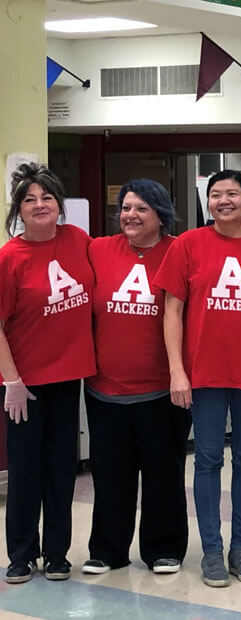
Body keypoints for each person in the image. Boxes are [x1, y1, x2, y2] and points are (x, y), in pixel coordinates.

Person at [154, 170, 241, 588]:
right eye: (215, 194)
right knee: (208, 460)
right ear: (206, 202)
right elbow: (172, 311)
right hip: (204, 374)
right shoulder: (189, 245)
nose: (223, 201)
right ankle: (212, 550)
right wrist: (177, 370)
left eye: (232, 193)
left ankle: (240, 549)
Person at [83, 179, 191, 576]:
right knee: (111, 474)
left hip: (162, 390)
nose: (130, 215)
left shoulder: (178, 251)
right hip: (104, 390)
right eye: (126, 207)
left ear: (161, 215)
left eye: (141, 208)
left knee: (164, 473)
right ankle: (107, 549)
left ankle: (165, 549)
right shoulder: (97, 249)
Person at [0, 163, 95, 584]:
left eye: (47, 198)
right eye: (29, 200)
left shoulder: (78, 240)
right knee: (25, 472)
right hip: (25, 384)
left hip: (68, 376)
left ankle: (56, 553)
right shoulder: (9, 257)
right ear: (19, 210)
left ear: (60, 205)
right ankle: (21, 553)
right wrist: (12, 382)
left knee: (61, 469)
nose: (39, 205)